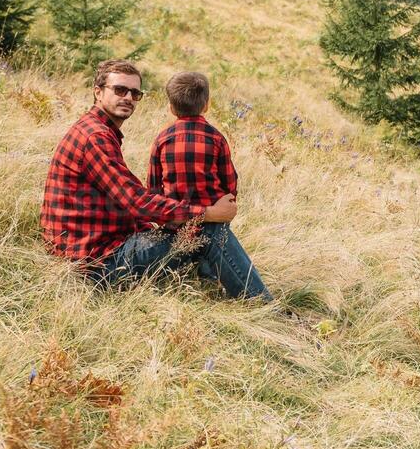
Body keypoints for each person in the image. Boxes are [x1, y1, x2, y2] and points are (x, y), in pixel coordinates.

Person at [40, 59, 270, 300]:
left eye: (135, 93)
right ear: (98, 92)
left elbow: (128, 201)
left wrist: (168, 223)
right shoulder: (95, 137)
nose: (128, 97)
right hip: (95, 265)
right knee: (207, 230)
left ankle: (212, 287)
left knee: (189, 230)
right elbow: (137, 201)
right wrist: (209, 213)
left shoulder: (98, 130)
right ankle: (261, 304)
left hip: (94, 251)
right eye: (119, 90)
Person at [148, 70, 270, 299]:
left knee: (194, 247)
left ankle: (200, 280)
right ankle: (216, 280)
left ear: (171, 107)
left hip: (175, 227)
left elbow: (153, 189)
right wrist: (226, 201)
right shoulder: (216, 138)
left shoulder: (162, 140)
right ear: (206, 105)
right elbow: (229, 182)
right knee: (215, 237)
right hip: (213, 222)